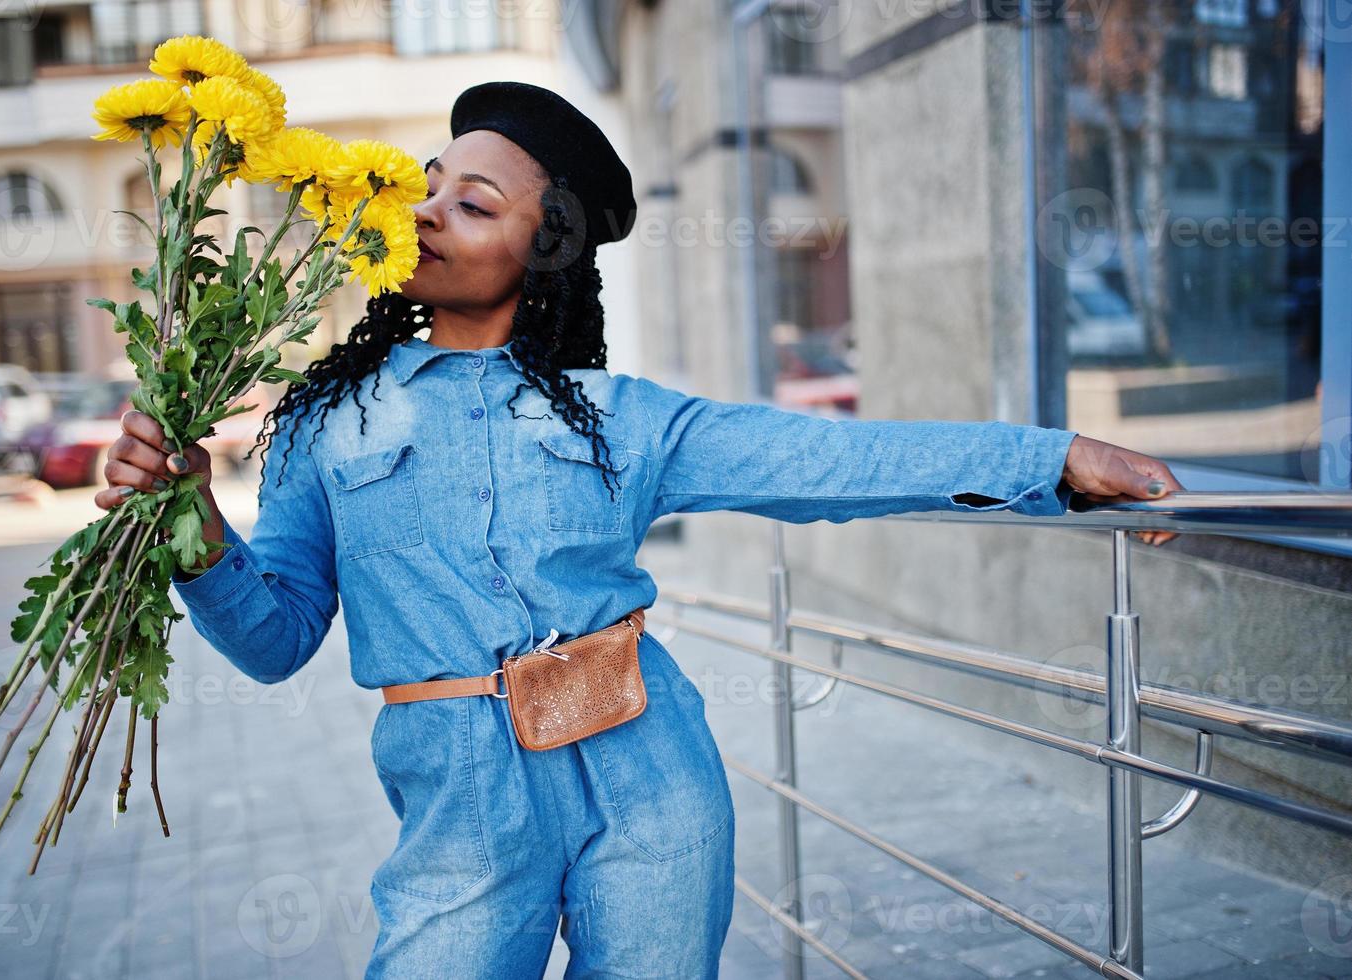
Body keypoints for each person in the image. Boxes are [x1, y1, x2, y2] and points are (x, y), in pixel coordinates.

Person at [97, 81, 1185, 979]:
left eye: (474, 205)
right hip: (461, 811)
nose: (425, 213)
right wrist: (187, 514)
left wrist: (1052, 462)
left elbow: (835, 461)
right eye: (429, 190)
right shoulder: (325, 424)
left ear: (547, 247)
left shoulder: (623, 418)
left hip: (648, 772)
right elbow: (275, 637)